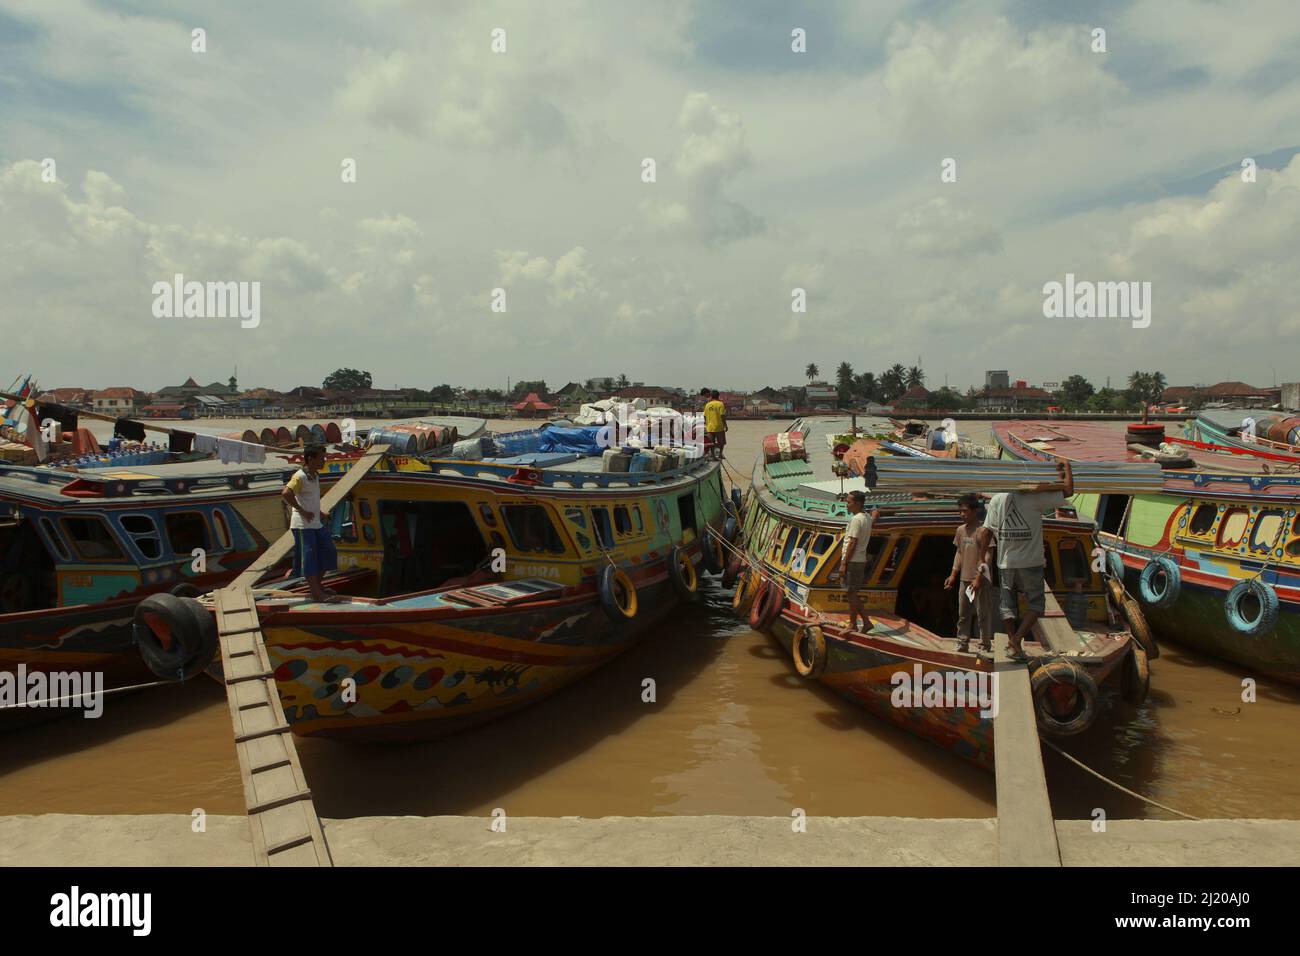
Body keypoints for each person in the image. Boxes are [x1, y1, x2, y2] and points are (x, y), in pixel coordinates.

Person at [974, 461, 1073, 661]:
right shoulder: (1036, 498)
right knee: (1036, 606)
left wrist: (981, 558)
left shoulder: (997, 499)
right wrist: (1067, 468)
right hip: (1031, 562)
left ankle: (1014, 643)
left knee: (1006, 605)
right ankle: (1016, 639)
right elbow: (1069, 490)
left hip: (1006, 563)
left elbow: (985, 532)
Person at [282, 443, 344, 603]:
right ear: (310, 459)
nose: (324, 461)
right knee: (310, 558)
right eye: (321, 458)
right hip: (303, 525)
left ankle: (318, 586)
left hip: (315, 522)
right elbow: (286, 493)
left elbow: (309, 499)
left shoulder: (315, 476)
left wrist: (320, 512)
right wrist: (301, 511)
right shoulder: (299, 476)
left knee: (329, 551)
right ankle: (316, 593)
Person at [945, 493, 995, 655]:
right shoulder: (960, 530)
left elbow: (988, 556)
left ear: (975, 511)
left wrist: (979, 577)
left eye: (965, 511)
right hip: (964, 579)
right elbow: (959, 553)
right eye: (960, 511)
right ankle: (962, 642)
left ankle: (984, 644)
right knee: (963, 614)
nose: (962, 514)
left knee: (982, 614)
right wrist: (953, 575)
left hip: (982, 580)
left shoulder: (983, 531)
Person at [834, 490, 881, 632]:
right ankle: (865, 622)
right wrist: (875, 514)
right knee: (852, 593)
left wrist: (843, 564)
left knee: (851, 594)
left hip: (853, 562)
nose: (846, 505)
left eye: (849, 502)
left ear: (858, 504)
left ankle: (853, 625)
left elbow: (853, 542)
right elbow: (872, 519)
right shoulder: (866, 517)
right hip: (860, 561)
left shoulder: (856, 520)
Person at [703, 389, 727, 459]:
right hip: (719, 427)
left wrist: (707, 424)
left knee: (711, 442)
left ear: (711, 396)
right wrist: (725, 425)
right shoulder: (720, 404)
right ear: (718, 396)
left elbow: (704, 416)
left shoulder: (707, 405)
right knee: (721, 442)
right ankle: (720, 454)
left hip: (710, 427)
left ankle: (713, 455)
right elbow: (722, 415)